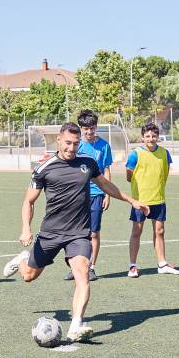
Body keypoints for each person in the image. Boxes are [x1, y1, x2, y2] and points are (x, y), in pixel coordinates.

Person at [2, 123, 149, 342]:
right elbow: (28, 202)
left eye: (75, 144)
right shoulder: (44, 168)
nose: (71, 148)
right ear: (59, 140)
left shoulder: (87, 163)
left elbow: (105, 185)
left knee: (82, 273)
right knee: (28, 276)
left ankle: (76, 325)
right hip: (51, 233)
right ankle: (23, 259)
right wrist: (26, 228)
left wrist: (131, 200)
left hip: (79, 232)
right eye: (68, 143)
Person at [126, 122, 179, 277]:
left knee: (160, 231)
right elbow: (129, 176)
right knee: (137, 231)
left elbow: (165, 173)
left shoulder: (165, 153)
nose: (151, 139)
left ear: (158, 137)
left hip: (158, 199)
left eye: (154, 136)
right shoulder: (135, 154)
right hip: (140, 201)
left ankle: (162, 264)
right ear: (142, 138)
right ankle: (132, 266)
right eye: (148, 136)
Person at [64, 109, 114, 282]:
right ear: (81, 128)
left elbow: (106, 170)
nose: (89, 132)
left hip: (97, 194)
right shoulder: (76, 145)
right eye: (86, 129)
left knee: (93, 233)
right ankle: (76, 267)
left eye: (92, 128)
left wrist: (107, 194)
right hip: (77, 194)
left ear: (96, 127)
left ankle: (91, 267)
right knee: (75, 233)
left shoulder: (104, 146)